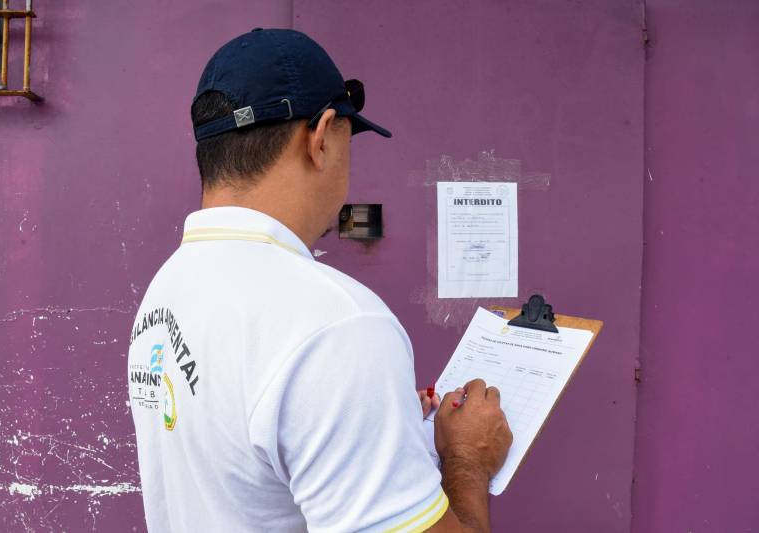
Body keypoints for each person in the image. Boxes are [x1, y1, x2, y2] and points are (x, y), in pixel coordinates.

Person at [127, 28, 512, 533]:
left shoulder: (171, 284)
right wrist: (467, 459)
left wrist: (372, 415)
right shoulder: (336, 324)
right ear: (323, 136)